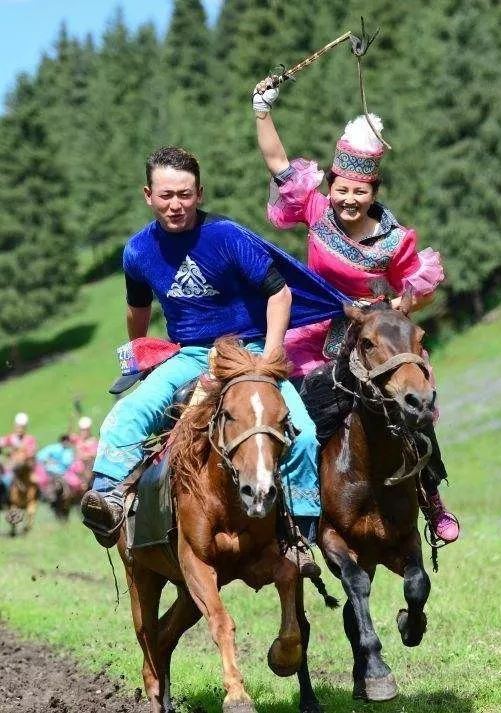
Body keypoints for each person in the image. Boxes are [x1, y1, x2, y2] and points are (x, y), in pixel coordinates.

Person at [80, 146, 347, 575]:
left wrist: (274, 351)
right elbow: (137, 308)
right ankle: (109, 498)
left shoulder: (227, 237)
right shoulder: (137, 252)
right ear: (148, 195)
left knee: (304, 433)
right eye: (166, 194)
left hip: (249, 352)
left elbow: (280, 293)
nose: (176, 204)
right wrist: (142, 354)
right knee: (127, 414)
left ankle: (300, 533)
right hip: (189, 355)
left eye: (185, 194)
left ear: (199, 193)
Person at [253, 81, 460, 543]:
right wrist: (262, 110)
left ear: (373, 192)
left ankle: (431, 496)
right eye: (342, 189)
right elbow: (277, 163)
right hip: (316, 334)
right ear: (332, 185)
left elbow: (416, 289)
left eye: (359, 192)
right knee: (299, 417)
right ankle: (294, 510)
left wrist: (390, 306)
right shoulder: (316, 210)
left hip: (373, 335)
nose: (349, 199)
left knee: (416, 405)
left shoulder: (395, 240)